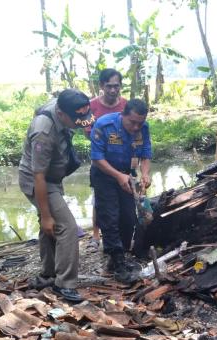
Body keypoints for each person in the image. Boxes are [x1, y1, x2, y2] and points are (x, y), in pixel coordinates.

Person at [18, 89, 95, 303]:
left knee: (51, 226)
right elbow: (38, 177)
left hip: (53, 175)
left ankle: (48, 274)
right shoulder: (43, 132)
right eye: (76, 119)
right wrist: (45, 215)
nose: (82, 122)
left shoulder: (66, 107)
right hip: (38, 180)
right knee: (67, 227)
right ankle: (65, 284)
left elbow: (84, 117)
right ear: (61, 114)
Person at [90, 99, 152, 282]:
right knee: (109, 217)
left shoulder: (143, 128)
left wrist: (145, 174)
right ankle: (117, 262)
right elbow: (97, 159)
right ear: (123, 114)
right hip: (104, 175)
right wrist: (117, 176)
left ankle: (120, 253)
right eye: (132, 122)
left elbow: (146, 153)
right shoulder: (104, 125)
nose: (135, 127)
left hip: (126, 176)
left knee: (129, 217)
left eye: (139, 123)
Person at [86, 68, 128, 248]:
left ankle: (118, 238)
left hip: (123, 162)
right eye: (109, 86)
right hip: (101, 160)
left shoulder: (126, 105)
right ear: (101, 86)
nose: (113, 90)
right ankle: (96, 234)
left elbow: (134, 130)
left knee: (122, 202)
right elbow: (88, 131)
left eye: (116, 86)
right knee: (100, 200)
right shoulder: (92, 107)